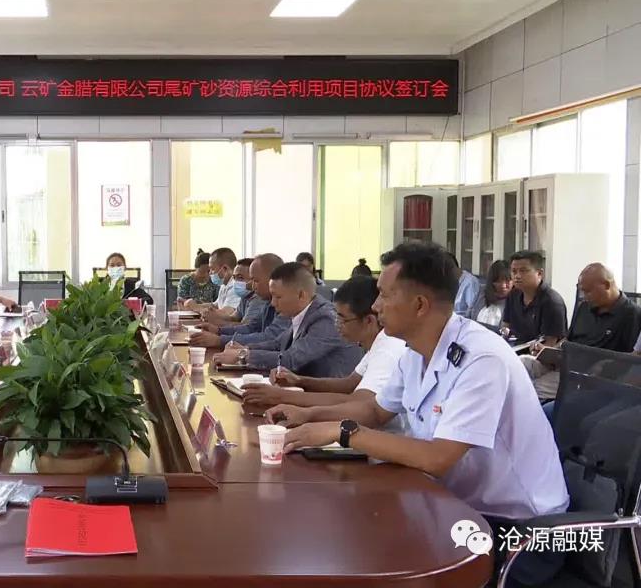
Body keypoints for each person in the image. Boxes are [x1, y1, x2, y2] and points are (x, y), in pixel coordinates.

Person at [273, 241, 568, 586]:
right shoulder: (415, 351)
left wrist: (343, 431)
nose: (375, 305)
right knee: (352, 533)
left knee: (375, 556)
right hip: (454, 504)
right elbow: (374, 409)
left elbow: (438, 457)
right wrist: (308, 416)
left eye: (385, 295)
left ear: (419, 305)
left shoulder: (481, 358)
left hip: (518, 529)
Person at [243, 276, 407, 435]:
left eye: (343, 320)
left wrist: (283, 397)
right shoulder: (378, 342)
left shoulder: (388, 350)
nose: (337, 325)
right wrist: (300, 381)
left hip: (379, 439)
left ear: (369, 321)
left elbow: (359, 402)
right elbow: (349, 384)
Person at [212, 262, 363, 377]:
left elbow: (292, 359)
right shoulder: (302, 312)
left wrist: (243, 356)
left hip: (329, 397)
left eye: (278, 297)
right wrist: (245, 349)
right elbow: (277, 344)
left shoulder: (326, 319)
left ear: (301, 295)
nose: (273, 303)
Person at [521, 264, 641, 404]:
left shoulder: (631, 315)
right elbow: (568, 339)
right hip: (562, 363)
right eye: (582, 291)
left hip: (586, 376)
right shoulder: (585, 307)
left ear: (607, 285)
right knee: (521, 363)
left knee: (530, 388)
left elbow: (629, 360)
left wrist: (603, 367)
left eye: (588, 291)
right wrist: (551, 351)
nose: (584, 296)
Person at [191, 254, 288, 348]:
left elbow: (268, 338)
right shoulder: (267, 302)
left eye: (255, 280)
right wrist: (218, 330)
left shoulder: (285, 306)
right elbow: (252, 327)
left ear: (272, 279)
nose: (251, 286)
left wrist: (219, 340)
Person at [501, 250, 567, 347]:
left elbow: (550, 345)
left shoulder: (552, 302)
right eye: (514, 271)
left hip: (537, 353)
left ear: (539, 273)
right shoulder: (513, 295)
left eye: (523, 271)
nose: (517, 276)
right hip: (513, 348)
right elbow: (505, 327)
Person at [187, 247, 243, 320]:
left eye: (212, 269)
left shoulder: (235, 287)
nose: (210, 273)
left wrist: (197, 308)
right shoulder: (224, 285)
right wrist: (194, 305)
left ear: (225, 268)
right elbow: (215, 305)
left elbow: (225, 313)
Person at [468, 259, 511, 327]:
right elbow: (468, 316)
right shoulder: (481, 293)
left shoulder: (516, 301)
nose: (503, 285)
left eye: (507, 281)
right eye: (498, 281)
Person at [450, 252, 481, 317]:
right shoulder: (449, 281)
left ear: (453, 268)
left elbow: (472, 311)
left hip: (461, 320)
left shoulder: (470, 282)